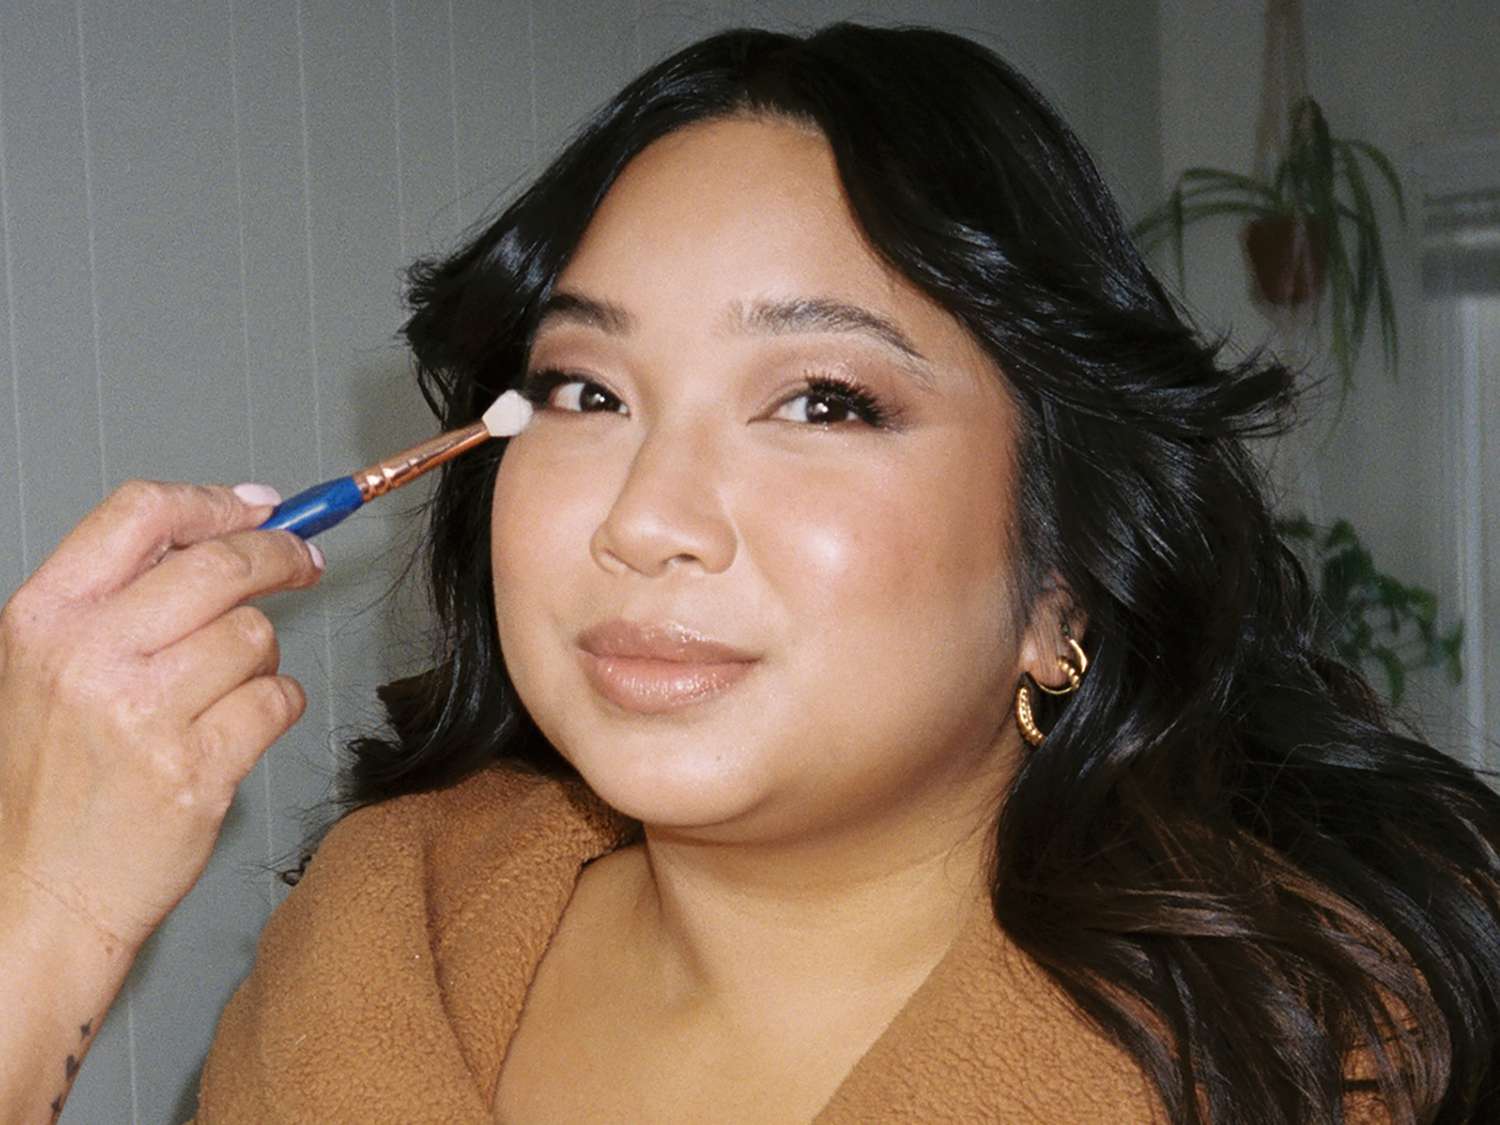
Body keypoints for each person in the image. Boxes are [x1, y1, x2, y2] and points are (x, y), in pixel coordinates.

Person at [3, 22, 1498, 1124]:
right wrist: (48, 923)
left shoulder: (1317, 1064)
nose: (646, 519)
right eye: (587, 390)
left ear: (1067, 579)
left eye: (823, 401)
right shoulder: (372, 939)